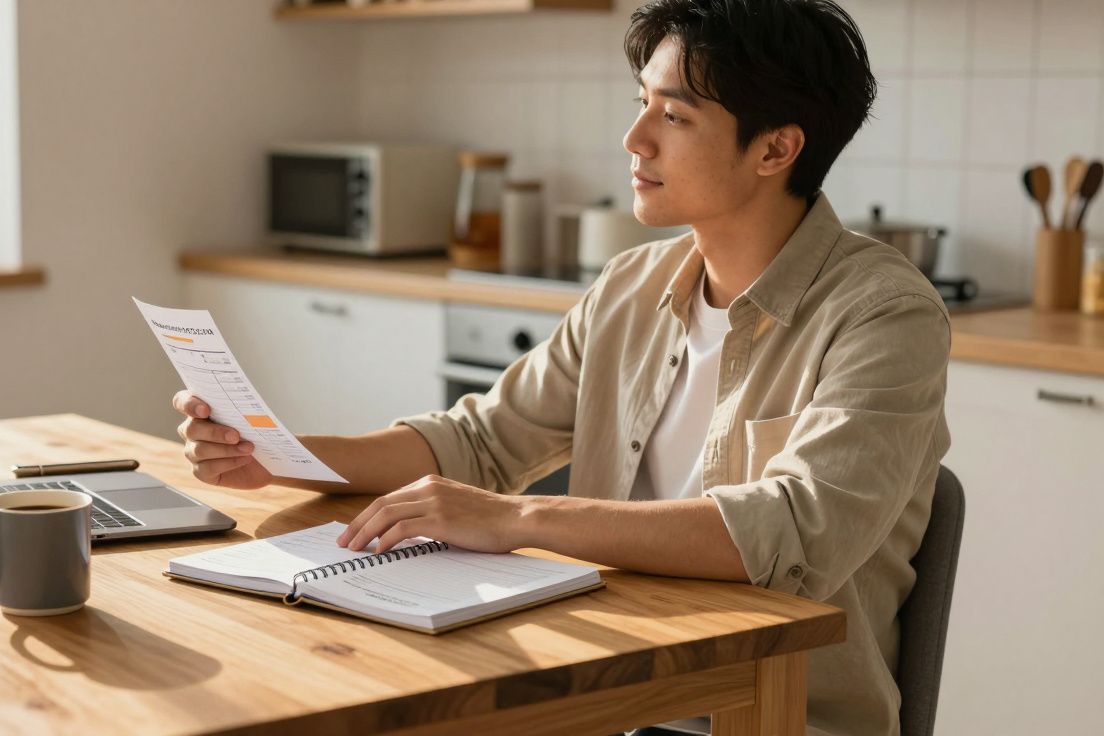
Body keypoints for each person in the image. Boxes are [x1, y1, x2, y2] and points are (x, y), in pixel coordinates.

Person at [172, 2, 950, 733]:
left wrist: (515, 518)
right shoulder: (629, 286)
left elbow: (792, 530)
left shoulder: (886, 313)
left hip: (767, 715)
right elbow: (478, 441)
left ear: (775, 149)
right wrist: (274, 453)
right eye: (641, 102)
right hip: (604, 691)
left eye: (674, 116)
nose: (635, 139)